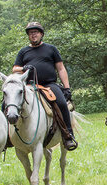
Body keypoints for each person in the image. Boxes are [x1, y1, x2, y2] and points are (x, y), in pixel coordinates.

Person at [12, 21, 78, 151]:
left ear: (41, 34)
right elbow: (15, 69)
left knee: (61, 103)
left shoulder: (51, 49)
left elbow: (61, 68)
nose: (33, 35)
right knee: (9, 102)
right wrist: (24, 68)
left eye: (36, 32)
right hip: (29, 86)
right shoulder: (23, 51)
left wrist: (66, 87)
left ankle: (68, 135)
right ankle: (9, 136)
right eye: (31, 33)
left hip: (49, 85)